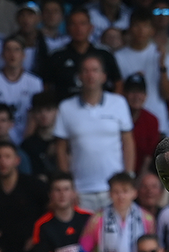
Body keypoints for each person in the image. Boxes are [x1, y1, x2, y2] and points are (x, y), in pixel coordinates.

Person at [53, 54, 135, 213]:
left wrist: (127, 180)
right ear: (79, 77)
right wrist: (69, 187)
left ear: (103, 76)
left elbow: (128, 143)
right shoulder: (66, 107)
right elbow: (61, 149)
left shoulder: (118, 103)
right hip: (80, 190)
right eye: (86, 71)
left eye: (95, 70)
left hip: (114, 190)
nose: (90, 75)